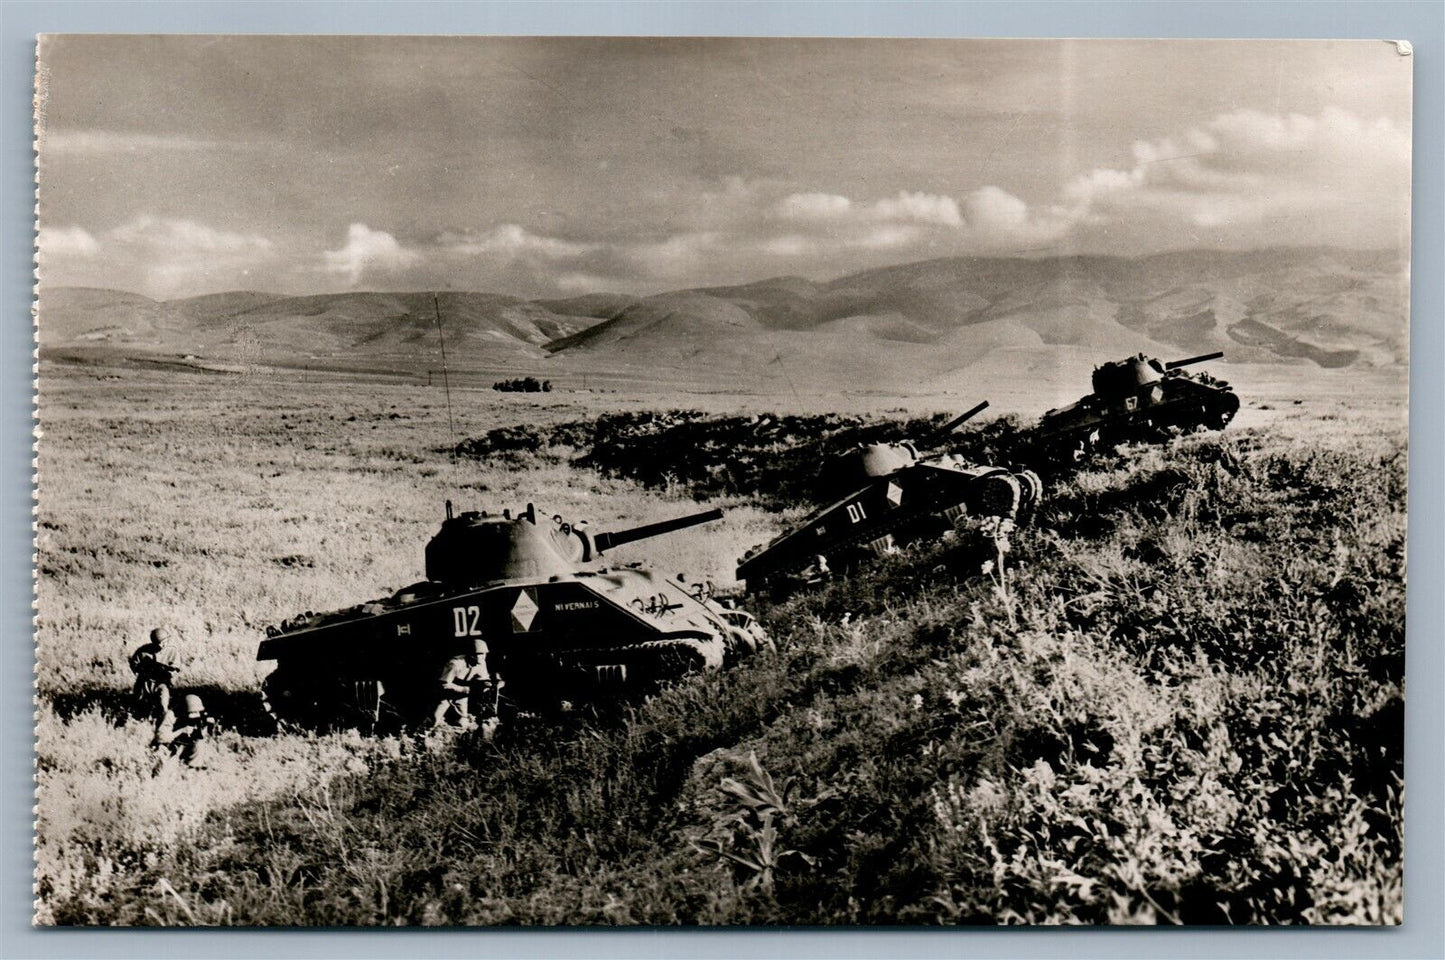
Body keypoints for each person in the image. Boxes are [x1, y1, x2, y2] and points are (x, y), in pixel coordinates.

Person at [432, 639, 494, 729]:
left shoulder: (481, 663)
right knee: (433, 720)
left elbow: (483, 679)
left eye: (483, 654)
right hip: (444, 695)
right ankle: (418, 738)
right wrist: (466, 690)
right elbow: (443, 685)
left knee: (462, 723)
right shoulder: (455, 664)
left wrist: (487, 685)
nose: (480, 657)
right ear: (470, 654)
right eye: (477, 654)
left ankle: (453, 740)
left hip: (461, 696)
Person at [151, 693, 214, 768]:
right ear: (185, 711)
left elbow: (202, 737)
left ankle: (193, 768)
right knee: (163, 760)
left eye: (198, 712)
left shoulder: (197, 717)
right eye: (193, 712)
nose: (197, 715)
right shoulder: (170, 716)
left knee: (199, 744)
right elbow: (161, 738)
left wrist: (208, 727)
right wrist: (181, 731)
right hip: (168, 746)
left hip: (184, 745)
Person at [129, 627, 177, 721]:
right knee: (140, 702)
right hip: (145, 681)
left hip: (161, 681)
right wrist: (145, 669)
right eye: (159, 643)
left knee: (163, 700)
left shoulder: (172, 650)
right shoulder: (143, 651)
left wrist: (166, 672)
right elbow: (134, 665)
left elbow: (175, 668)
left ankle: (164, 720)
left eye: (165, 642)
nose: (162, 645)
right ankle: (140, 720)